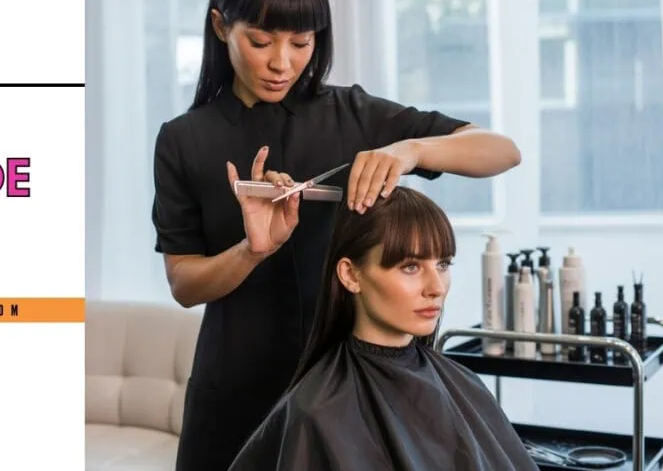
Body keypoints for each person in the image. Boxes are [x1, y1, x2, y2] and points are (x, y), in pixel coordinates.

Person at [150, 0, 521, 471]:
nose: (282, 62)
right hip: (233, 394)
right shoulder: (184, 141)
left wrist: (411, 149)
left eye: (301, 43)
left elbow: (501, 150)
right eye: (260, 41)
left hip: (344, 398)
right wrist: (251, 252)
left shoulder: (353, 115)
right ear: (219, 27)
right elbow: (184, 284)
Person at [226, 187, 539, 470]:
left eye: (442, 264)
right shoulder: (317, 411)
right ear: (350, 275)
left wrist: (411, 150)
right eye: (410, 267)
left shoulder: (465, 384)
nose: (436, 287)